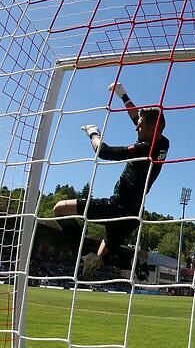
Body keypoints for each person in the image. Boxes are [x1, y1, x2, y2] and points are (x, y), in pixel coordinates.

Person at [54, 82, 169, 276]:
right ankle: (94, 263)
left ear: (152, 127)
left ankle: (84, 252)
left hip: (117, 208)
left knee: (59, 209)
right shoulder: (162, 142)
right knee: (96, 261)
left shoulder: (143, 149)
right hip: (132, 216)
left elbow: (104, 152)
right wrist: (123, 96)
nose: (136, 129)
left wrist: (93, 133)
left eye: (140, 127)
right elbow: (138, 119)